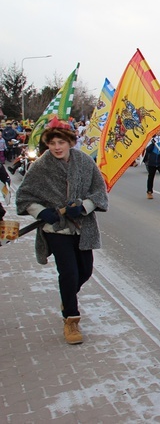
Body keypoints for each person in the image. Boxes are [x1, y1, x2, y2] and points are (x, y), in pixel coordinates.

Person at [15, 117, 109, 345]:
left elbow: (99, 192)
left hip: (83, 227)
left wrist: (84, 206)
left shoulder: (85, 162)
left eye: (61, 142)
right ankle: (71, 319)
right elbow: (25, 196)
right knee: (68, 273)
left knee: (84, 271)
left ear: (70, 142)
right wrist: (40, 211)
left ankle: (67, 298)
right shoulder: (41, 166)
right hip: (55, 229)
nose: (57, 147)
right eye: (52, 143)